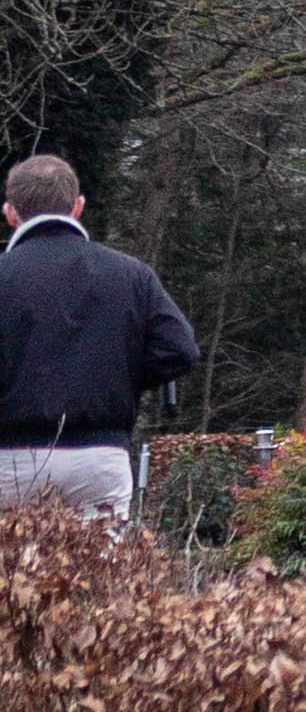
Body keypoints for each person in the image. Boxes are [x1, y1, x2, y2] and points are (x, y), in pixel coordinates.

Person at [0, 157, 200, 525]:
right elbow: (179, 348)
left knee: (11, 560)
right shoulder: (131, 274)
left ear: (11, 213)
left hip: (9, 455)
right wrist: (117, 375)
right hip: (99, 454)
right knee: (100, 561)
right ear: (77, 206)